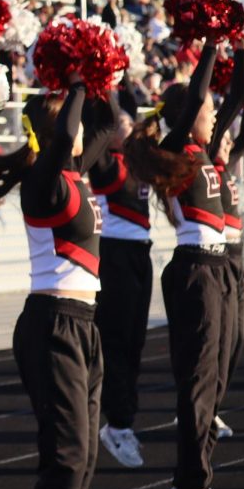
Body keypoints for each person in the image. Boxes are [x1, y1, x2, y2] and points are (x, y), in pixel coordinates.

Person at [125, 39, 233, 489]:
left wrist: (239, 42)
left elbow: (241, 96)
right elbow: (193, 100)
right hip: (194, 270)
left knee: (219, 377)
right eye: (208, 111)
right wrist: (209, 42)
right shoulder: (177, 147)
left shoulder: (207, 150)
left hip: (220, 268)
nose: (214, 116)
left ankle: (197, 469)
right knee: (198, 380)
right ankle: (190, 482)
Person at [10, 77, 118, 489]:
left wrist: (99, 75)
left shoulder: (76, 173)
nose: (80, 133)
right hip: (52, 323)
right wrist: (74, 85)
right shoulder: (41, 182)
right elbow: (68, 135)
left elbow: (106, 127)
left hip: (84, 323)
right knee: (67, 458)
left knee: (86, 455)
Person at [89, 104, 152, 468]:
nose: (129, 127)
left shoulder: (140, 161)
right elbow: (103, 119)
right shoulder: (106, 163)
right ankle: (118, 423)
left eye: (130, 122)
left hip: (140, 254)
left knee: (135, 341)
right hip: (114, 255)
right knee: (116, 341)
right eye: (122, 123)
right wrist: (102, 78)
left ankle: (122, 420)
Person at [214, 101, 244, 441]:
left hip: (238, 255)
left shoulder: (226, 166)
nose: (229, 145)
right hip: (220, 254)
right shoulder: (207, 164)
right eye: (224, 141)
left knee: (238, 336)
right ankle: (207, 409)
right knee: (221, 337)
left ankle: (213, 404)